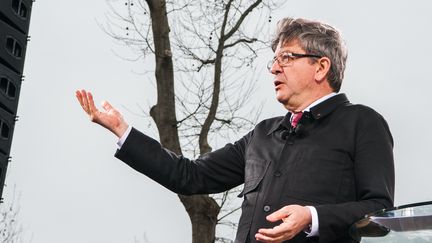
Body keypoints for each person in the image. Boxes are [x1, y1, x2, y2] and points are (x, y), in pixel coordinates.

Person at [76, 17, 394, 243]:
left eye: (287, 57)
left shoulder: (362, 124)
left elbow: (379, 211)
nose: (274, 68)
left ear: (321, 67)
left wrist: (312, 216)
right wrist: (122, 130)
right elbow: (189, 176)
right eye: (274, 59)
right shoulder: (262, 135)